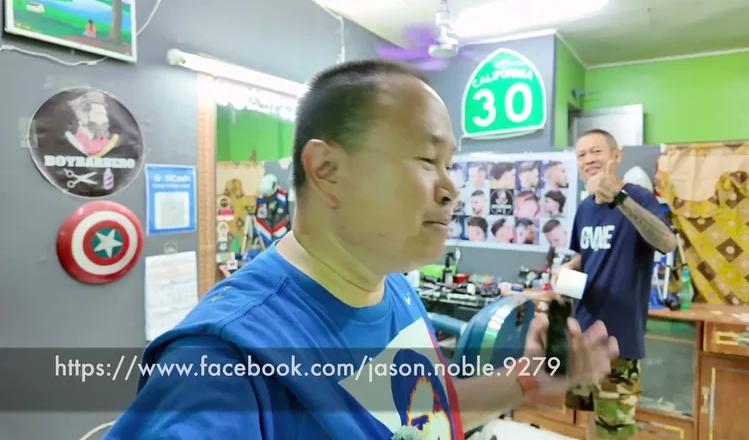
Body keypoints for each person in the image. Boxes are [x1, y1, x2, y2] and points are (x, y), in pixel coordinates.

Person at [107, 60, 618, 440]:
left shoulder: (389, 288)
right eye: (426, 160)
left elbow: (413, 418)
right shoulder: (222, 363)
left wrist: (527, 379)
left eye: (449, 164)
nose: (451, 189)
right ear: (328, 170)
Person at [552, 129, 677, 440]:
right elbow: (586, 254)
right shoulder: (585, 209)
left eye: (596, 151)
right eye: (582, 155)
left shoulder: (638, 197)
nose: (589, 160)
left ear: (616, 155)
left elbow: (667, 243)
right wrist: (568, 267)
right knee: (591, 417)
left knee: (616, 430)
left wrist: (619, 198)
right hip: (583, 334)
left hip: (618, 339)